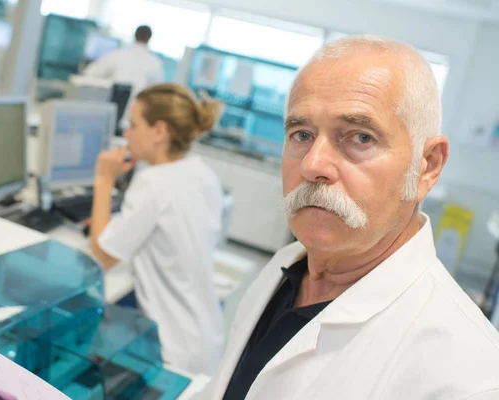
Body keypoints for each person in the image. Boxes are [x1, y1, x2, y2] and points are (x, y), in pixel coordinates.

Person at [198, 36, 499, 400]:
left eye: (360, 137)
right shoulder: (285, 269)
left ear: (427, 166)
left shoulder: (469, 376)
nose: (312, 165)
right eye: (302, 134)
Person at [89, 83, 225, 375]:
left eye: (134, 125)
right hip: (206, 339)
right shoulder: (201, 172)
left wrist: (103, 179)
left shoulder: (153, 182)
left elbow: (102, 257)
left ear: (159, 131)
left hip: (172, 349)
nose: (127, 133)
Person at [83, 25, 164, 126]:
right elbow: (158, 95)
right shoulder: (155, 63)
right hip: (135, 122)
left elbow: (90, 73)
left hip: (109, 117)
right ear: (149, 39)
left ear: (134, 35)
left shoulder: (117, 55)